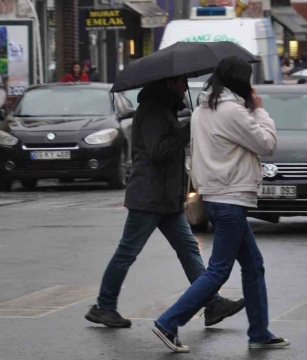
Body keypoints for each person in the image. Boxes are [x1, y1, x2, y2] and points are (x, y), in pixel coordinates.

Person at [85, 75, 245, 329]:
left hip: (167, 198)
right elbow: (158, 151)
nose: (184, 87)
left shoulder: (165, 109)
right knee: (127, 252)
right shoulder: (152, 110)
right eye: (181, 82)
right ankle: (104, 306)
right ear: (169, 84)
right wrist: (188, 130)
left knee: (188, 250)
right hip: (149, 196)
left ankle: (212, 303)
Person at [153, 57, 289, 353]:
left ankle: (260, 332)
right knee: (218, 271)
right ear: (240, 81)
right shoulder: (231, 111)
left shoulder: (204, 109)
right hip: (230, 198)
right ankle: (168, 322)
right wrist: (261, 110)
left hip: (215, 195)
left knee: (253, 265)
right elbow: (267, 144)